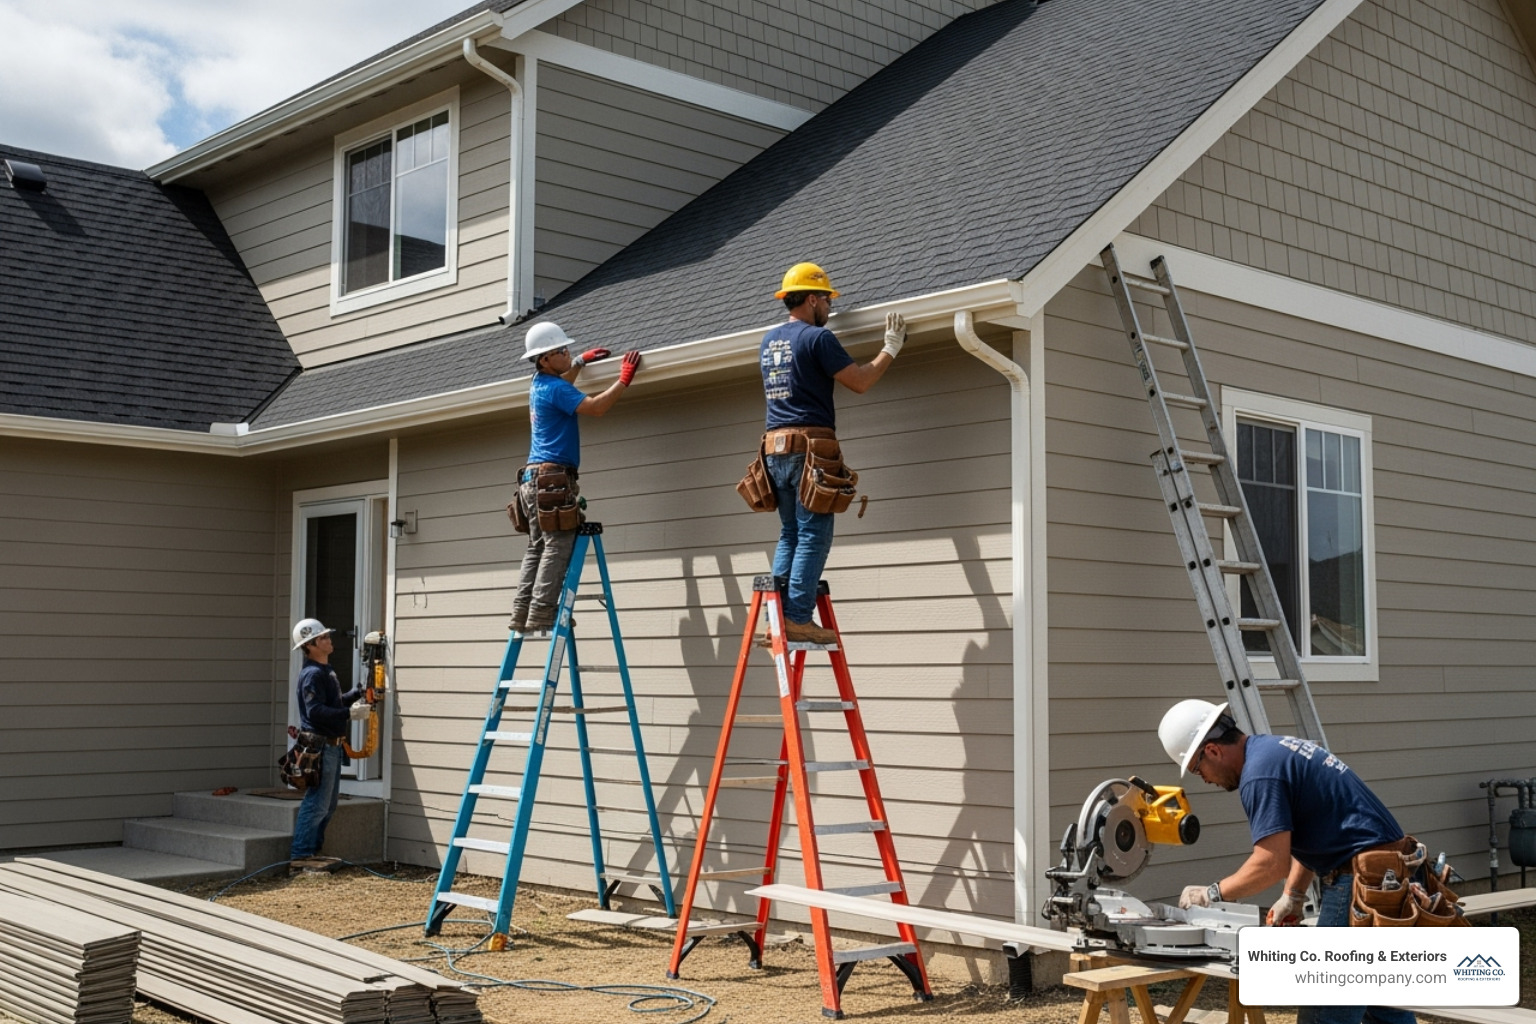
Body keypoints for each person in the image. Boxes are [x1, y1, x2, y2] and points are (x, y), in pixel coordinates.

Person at [1159, 698, 1416, 1024]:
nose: (1205, 779)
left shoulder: (1259, 775)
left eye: (1198, 769)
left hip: (1360, 882)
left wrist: (1211, 893)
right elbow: (1315, 831)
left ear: (1212, 750)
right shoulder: (1273, 751)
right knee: (1382, 1009)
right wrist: (1293, 895)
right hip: (1385, 875)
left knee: (1324, 1015)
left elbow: (1270, 863)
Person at [756, 262, 906, 645]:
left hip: (774, 449)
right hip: (810, 449)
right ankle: (797, 618)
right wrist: (890, 348)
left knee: (790, 533)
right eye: (826, 300)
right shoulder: (817, 338)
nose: (829, 307)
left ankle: (777, 618)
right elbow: (860, 381)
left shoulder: (769, 342)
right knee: (813, 534)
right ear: (811, 299)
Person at [509, 321, 641, 634]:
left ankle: (522, 612)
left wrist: (579, 363)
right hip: (552, 479)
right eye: (561, 351)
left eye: (567, 350)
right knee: (558, 545)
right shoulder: (556, 388)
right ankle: (543, 612)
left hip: (532, 479)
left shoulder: (539, 383)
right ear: (544, 359)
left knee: (537, 547)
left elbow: (564, 388)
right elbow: (595, 407)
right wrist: (623, 380)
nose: (567, 354)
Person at [288, 618, 369, 869]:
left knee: (328, 804)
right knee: (317, 803)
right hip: (320, 746)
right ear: (310, 645)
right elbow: (315, 712)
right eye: (323, 638)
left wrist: (356, 695)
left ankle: (312, 852)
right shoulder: (313, 674)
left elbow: (332, 704)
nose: (329, 640)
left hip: (330, 745)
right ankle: (301, 856)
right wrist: (349, 714)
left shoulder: (325, 670)